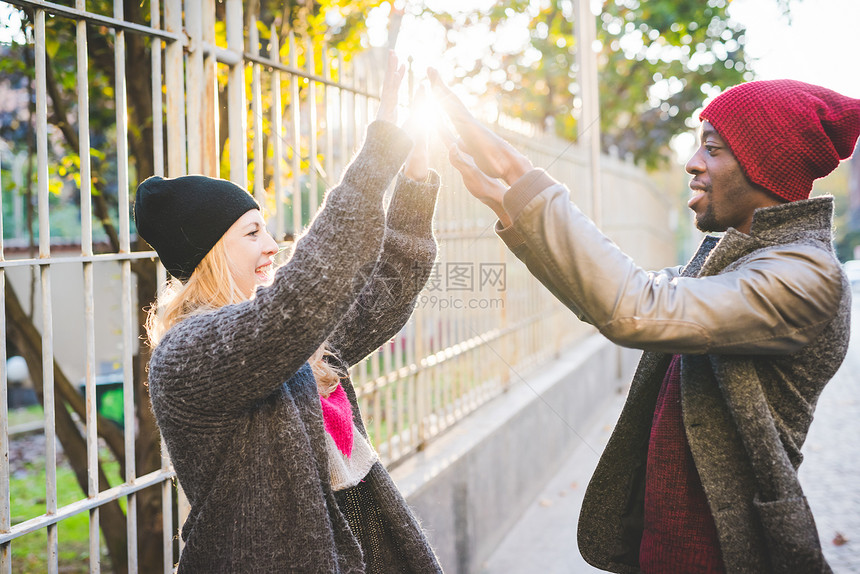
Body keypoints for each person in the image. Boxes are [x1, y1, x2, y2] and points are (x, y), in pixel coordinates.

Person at [430, 71, 860, 573]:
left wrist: (518, 170)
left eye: (714, 149)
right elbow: (619, 289)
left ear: (765, 167)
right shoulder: (737, 263)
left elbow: (636, 306)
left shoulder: (805, 277)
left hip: (727, 557)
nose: (692, 163)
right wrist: (510, 202)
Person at [134, 53, 443, 573]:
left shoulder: (274, 340)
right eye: (252, 232)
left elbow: (381, 297)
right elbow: (300, 301)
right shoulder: (188, 353)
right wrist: (378, 154)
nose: (273, 245)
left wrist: (413, 179)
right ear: (209, 253)